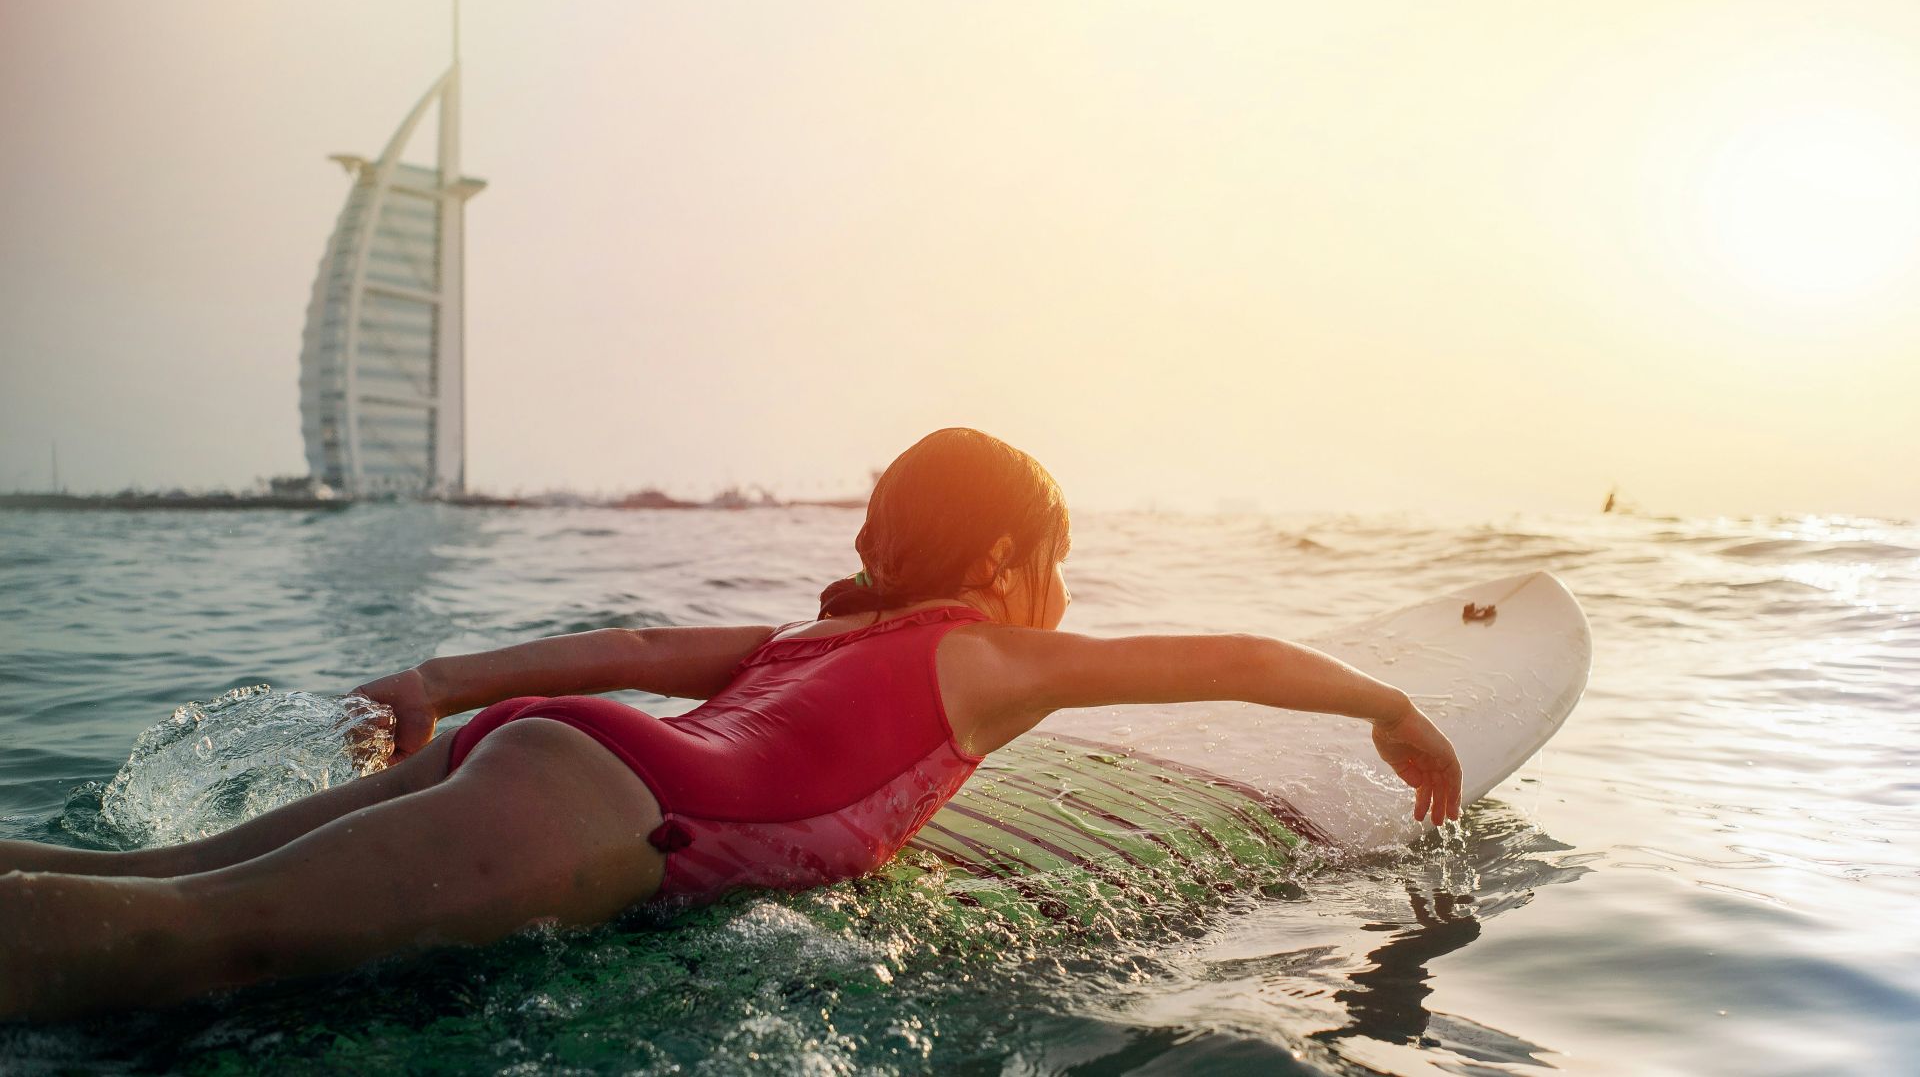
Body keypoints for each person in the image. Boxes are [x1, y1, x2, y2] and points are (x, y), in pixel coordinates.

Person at [0, 428, 1461, 1020]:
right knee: (188, 946)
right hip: (610, 810)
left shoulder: (809, 632)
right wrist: (1390, 703)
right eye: (1058, 562)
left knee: (156, 887)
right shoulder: (999, 658)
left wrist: (441, 684)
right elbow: (1232, 655)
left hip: (550, 744)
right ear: (1012, 567)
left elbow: (625, 647)